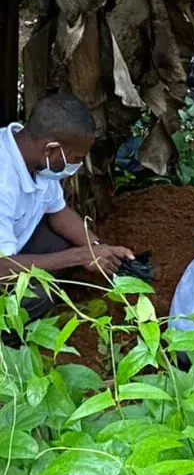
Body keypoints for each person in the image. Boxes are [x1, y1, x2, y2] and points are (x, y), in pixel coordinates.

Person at [0, 92, 135, 320]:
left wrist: (98, 248)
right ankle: (10, 343)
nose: (76, 165)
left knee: (59, 244)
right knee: (37, 297)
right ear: (50, 148)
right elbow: (2, 268)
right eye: (74, 158)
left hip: (8, 248)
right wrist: (80, 256)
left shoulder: (35, 159)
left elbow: (59, 213)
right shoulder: (3, 179)